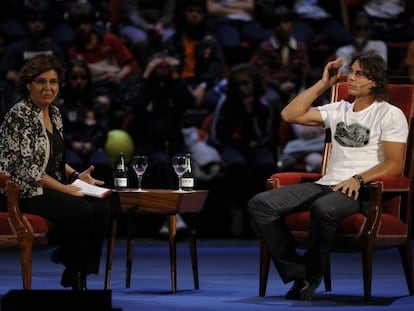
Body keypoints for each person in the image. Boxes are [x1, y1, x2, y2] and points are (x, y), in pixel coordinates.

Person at [247, 54, 408, 300]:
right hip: (327, 183)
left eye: (359, 74)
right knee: (260, 204)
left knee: (324, 208)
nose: (350, 77)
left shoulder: (389, 114)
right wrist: (324, 84)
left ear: (374, 81)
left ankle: (312, 276)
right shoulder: (339, 109)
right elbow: (289, 115)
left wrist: (358, 179)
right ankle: (299, 272)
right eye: (351, 71)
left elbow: (394, 165)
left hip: (360, 189)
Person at [0, 53, 111, 290]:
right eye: (41, 81)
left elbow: (56, 157)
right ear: (29, 84)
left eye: (53, 82)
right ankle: (74, 269)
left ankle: (77, 268)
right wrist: (66, 189)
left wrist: (75, 176)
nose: (48, 87)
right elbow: (28, 169)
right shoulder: (20, 114)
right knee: (82, 210)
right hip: (25, 191)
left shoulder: (55, 113)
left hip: (51, 184)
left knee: (102, 207)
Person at [210, 63, 277, 237]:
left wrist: (249, 114)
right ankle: (239, 210)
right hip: (233, 146)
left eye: (246, 84)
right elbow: (218, 135)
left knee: (265, 165)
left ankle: (259, 213)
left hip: (256, 147)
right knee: (237, 165)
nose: (242, 88)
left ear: (254, 84)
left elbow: (265, 136)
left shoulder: (264, 106)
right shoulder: (225, 104)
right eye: (238, 84)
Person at [56, 59, 112, 185]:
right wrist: (72, 143)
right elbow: (58, 131)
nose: (79, 82)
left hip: (93, 147)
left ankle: (102, 199)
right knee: (73, 164)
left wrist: (92, 144)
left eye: (83, 78)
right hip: (69, 147)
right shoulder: (60, 106)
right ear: (67, 81)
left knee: (101, 163)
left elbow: (103, 130)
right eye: (74, 78)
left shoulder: (97, 105)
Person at [335, 10, 387, 75]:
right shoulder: (342, 51)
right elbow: (343, 75)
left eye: (365, 28)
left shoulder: (379, 46)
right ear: (351, 30)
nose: (362, 32)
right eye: (358, 28)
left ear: (370, 30)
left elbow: (382, 71)